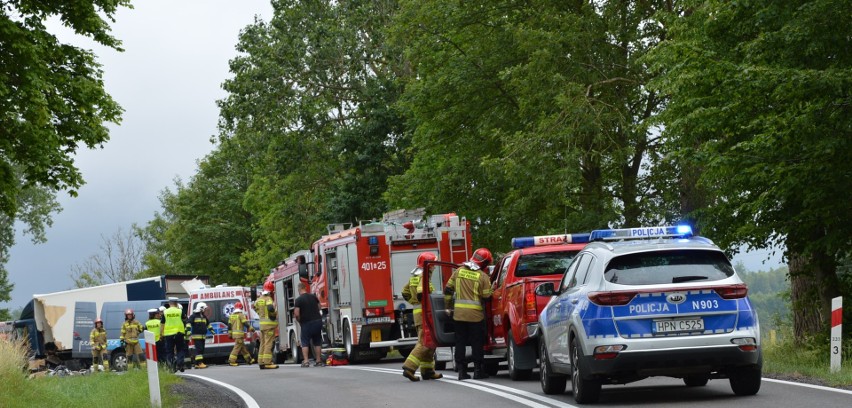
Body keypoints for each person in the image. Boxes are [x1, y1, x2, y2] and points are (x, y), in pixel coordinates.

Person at [444, 248, 493, 380]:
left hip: (459, 315)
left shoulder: (458, 271)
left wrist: (448, 307)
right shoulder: (483, 277)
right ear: (484, 263)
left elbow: (448, 290)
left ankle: (461, 371)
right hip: (475, 316)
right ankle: (478, 371)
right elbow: (487, 296)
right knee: (477, 343)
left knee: (460, 342)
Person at [401, 252, 442, 381]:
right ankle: (409, 367)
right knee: (424, 342)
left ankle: (427, 371)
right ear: (429, 266)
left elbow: (405, 292)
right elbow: (420, 291)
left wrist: (414, 302)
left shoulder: (415, 276)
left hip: (418, 313)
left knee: (429, 342)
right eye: (433, 264)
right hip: (424, 314)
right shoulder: (423, 276)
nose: (435, 267)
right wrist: (423, 302)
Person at [294, 282, 324, 367]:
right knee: (317, 341)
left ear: (299, 289)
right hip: (317, 321)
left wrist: (299, 321)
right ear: (305, 288)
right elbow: (319, 307)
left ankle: (306, 361)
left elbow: (296, 314)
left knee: (305, 342)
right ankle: (318, 361)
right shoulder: (313, 296)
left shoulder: (298, 300)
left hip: (306, 323)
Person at [254, 281, 279, 369]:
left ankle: (261, 362)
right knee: (269, 343)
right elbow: (270, 308)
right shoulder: (268, 298)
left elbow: (254, 306)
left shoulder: (259, 299)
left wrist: (260, 314)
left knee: (263, 343)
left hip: (262, 325)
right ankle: (268, 362)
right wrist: (273, 315)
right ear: (271, 291)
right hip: (269, 325)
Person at [161, 297, 187, 372]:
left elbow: (162, 323)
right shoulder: (180, 311)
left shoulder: (165, 312)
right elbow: (185, 319)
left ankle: (171, 366)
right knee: (180, 349)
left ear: (169, 304)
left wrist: (161, 334)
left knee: (169, 351)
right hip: (179, 333)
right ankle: (180, 363)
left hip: (168, 334)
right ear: (176, 303)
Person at [227, 301, 255, 366]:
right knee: (237, 347)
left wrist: (230, 334)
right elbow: (245, 323)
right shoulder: (240, 315)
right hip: (239, 335)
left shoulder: (231, 316)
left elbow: (229, 326)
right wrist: (251, 328)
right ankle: (231, 361)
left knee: (243, 348)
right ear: (241, 308)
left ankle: (249, 360)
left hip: (235, 335)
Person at [186, 302, 212, 369]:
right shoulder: (193, 316)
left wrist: (211, 330)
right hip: (196, 336)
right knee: (199, 350)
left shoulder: (203, 316)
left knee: (201, 350)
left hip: (203, 336)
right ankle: (200, 363)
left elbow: (208, 324)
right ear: (201, 308)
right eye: (204, 308)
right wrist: (188, 331)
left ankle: (197, 363)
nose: (205, 310)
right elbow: (188, 323)